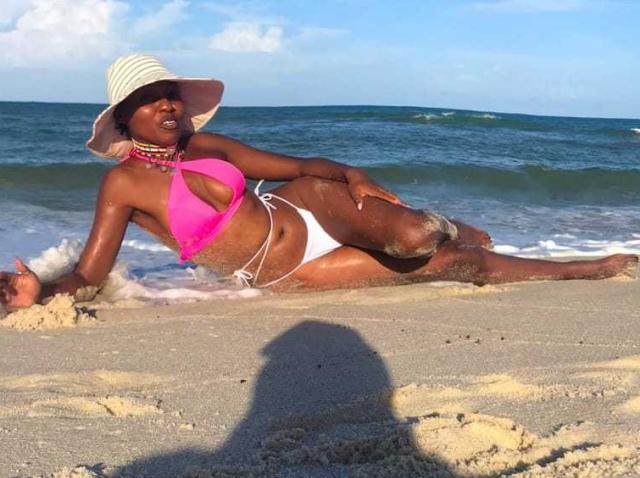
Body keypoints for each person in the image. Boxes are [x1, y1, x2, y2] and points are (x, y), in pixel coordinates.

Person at [0, 54, 637, 309]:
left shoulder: (206, 144)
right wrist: (44, 290)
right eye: (149, 99)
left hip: (306, 207)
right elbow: (90, 273)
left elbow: (299, 168)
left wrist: (350, 173)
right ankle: (587, 267)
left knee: (417, 234)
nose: (166, 105)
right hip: (287, 270)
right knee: (450, 263)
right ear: (124, 118)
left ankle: (445, 223)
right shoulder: (121, 188)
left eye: (170, 94)